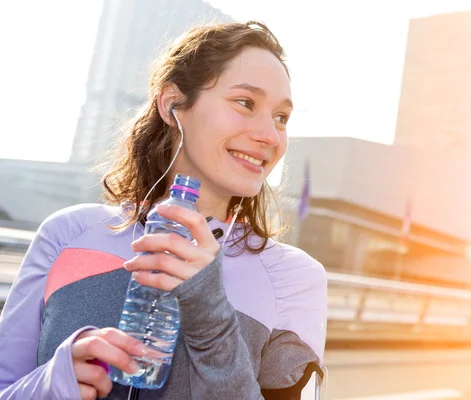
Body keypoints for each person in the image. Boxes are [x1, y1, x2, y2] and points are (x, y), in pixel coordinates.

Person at [0, 20, 327, 399]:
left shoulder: (292, 278)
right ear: (173, 104)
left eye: (281, 118)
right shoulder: (67, 234)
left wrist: (211, 318)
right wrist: (54, 382)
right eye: (245, 103)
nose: (270, 135)